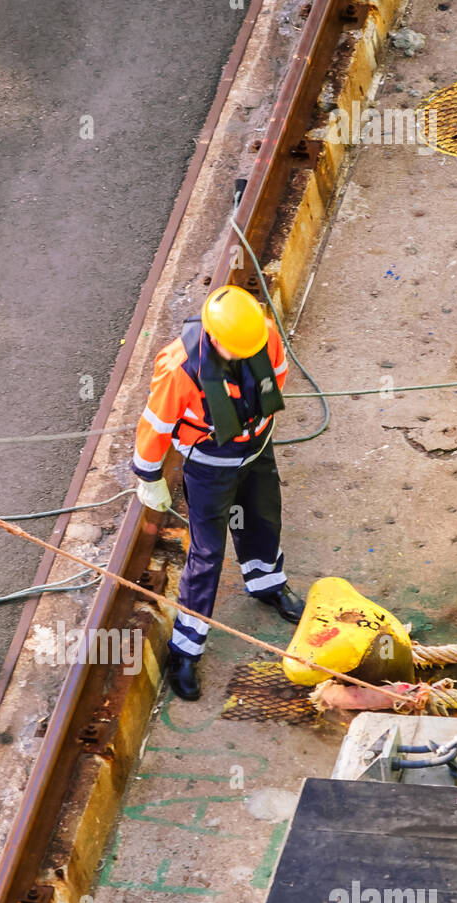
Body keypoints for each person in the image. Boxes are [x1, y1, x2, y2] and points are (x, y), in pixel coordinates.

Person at [133, 285, 304, 701]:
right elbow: (155, 425)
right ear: (213, 337)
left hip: (256, 449)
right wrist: (149, 475)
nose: (246, 356)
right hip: (210, 466)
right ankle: (186, 649)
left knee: (262, 517)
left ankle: (266, 583)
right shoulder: (179, 369)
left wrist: (256, 430)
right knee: (206, 554)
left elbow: (276, 374)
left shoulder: (259, 335)